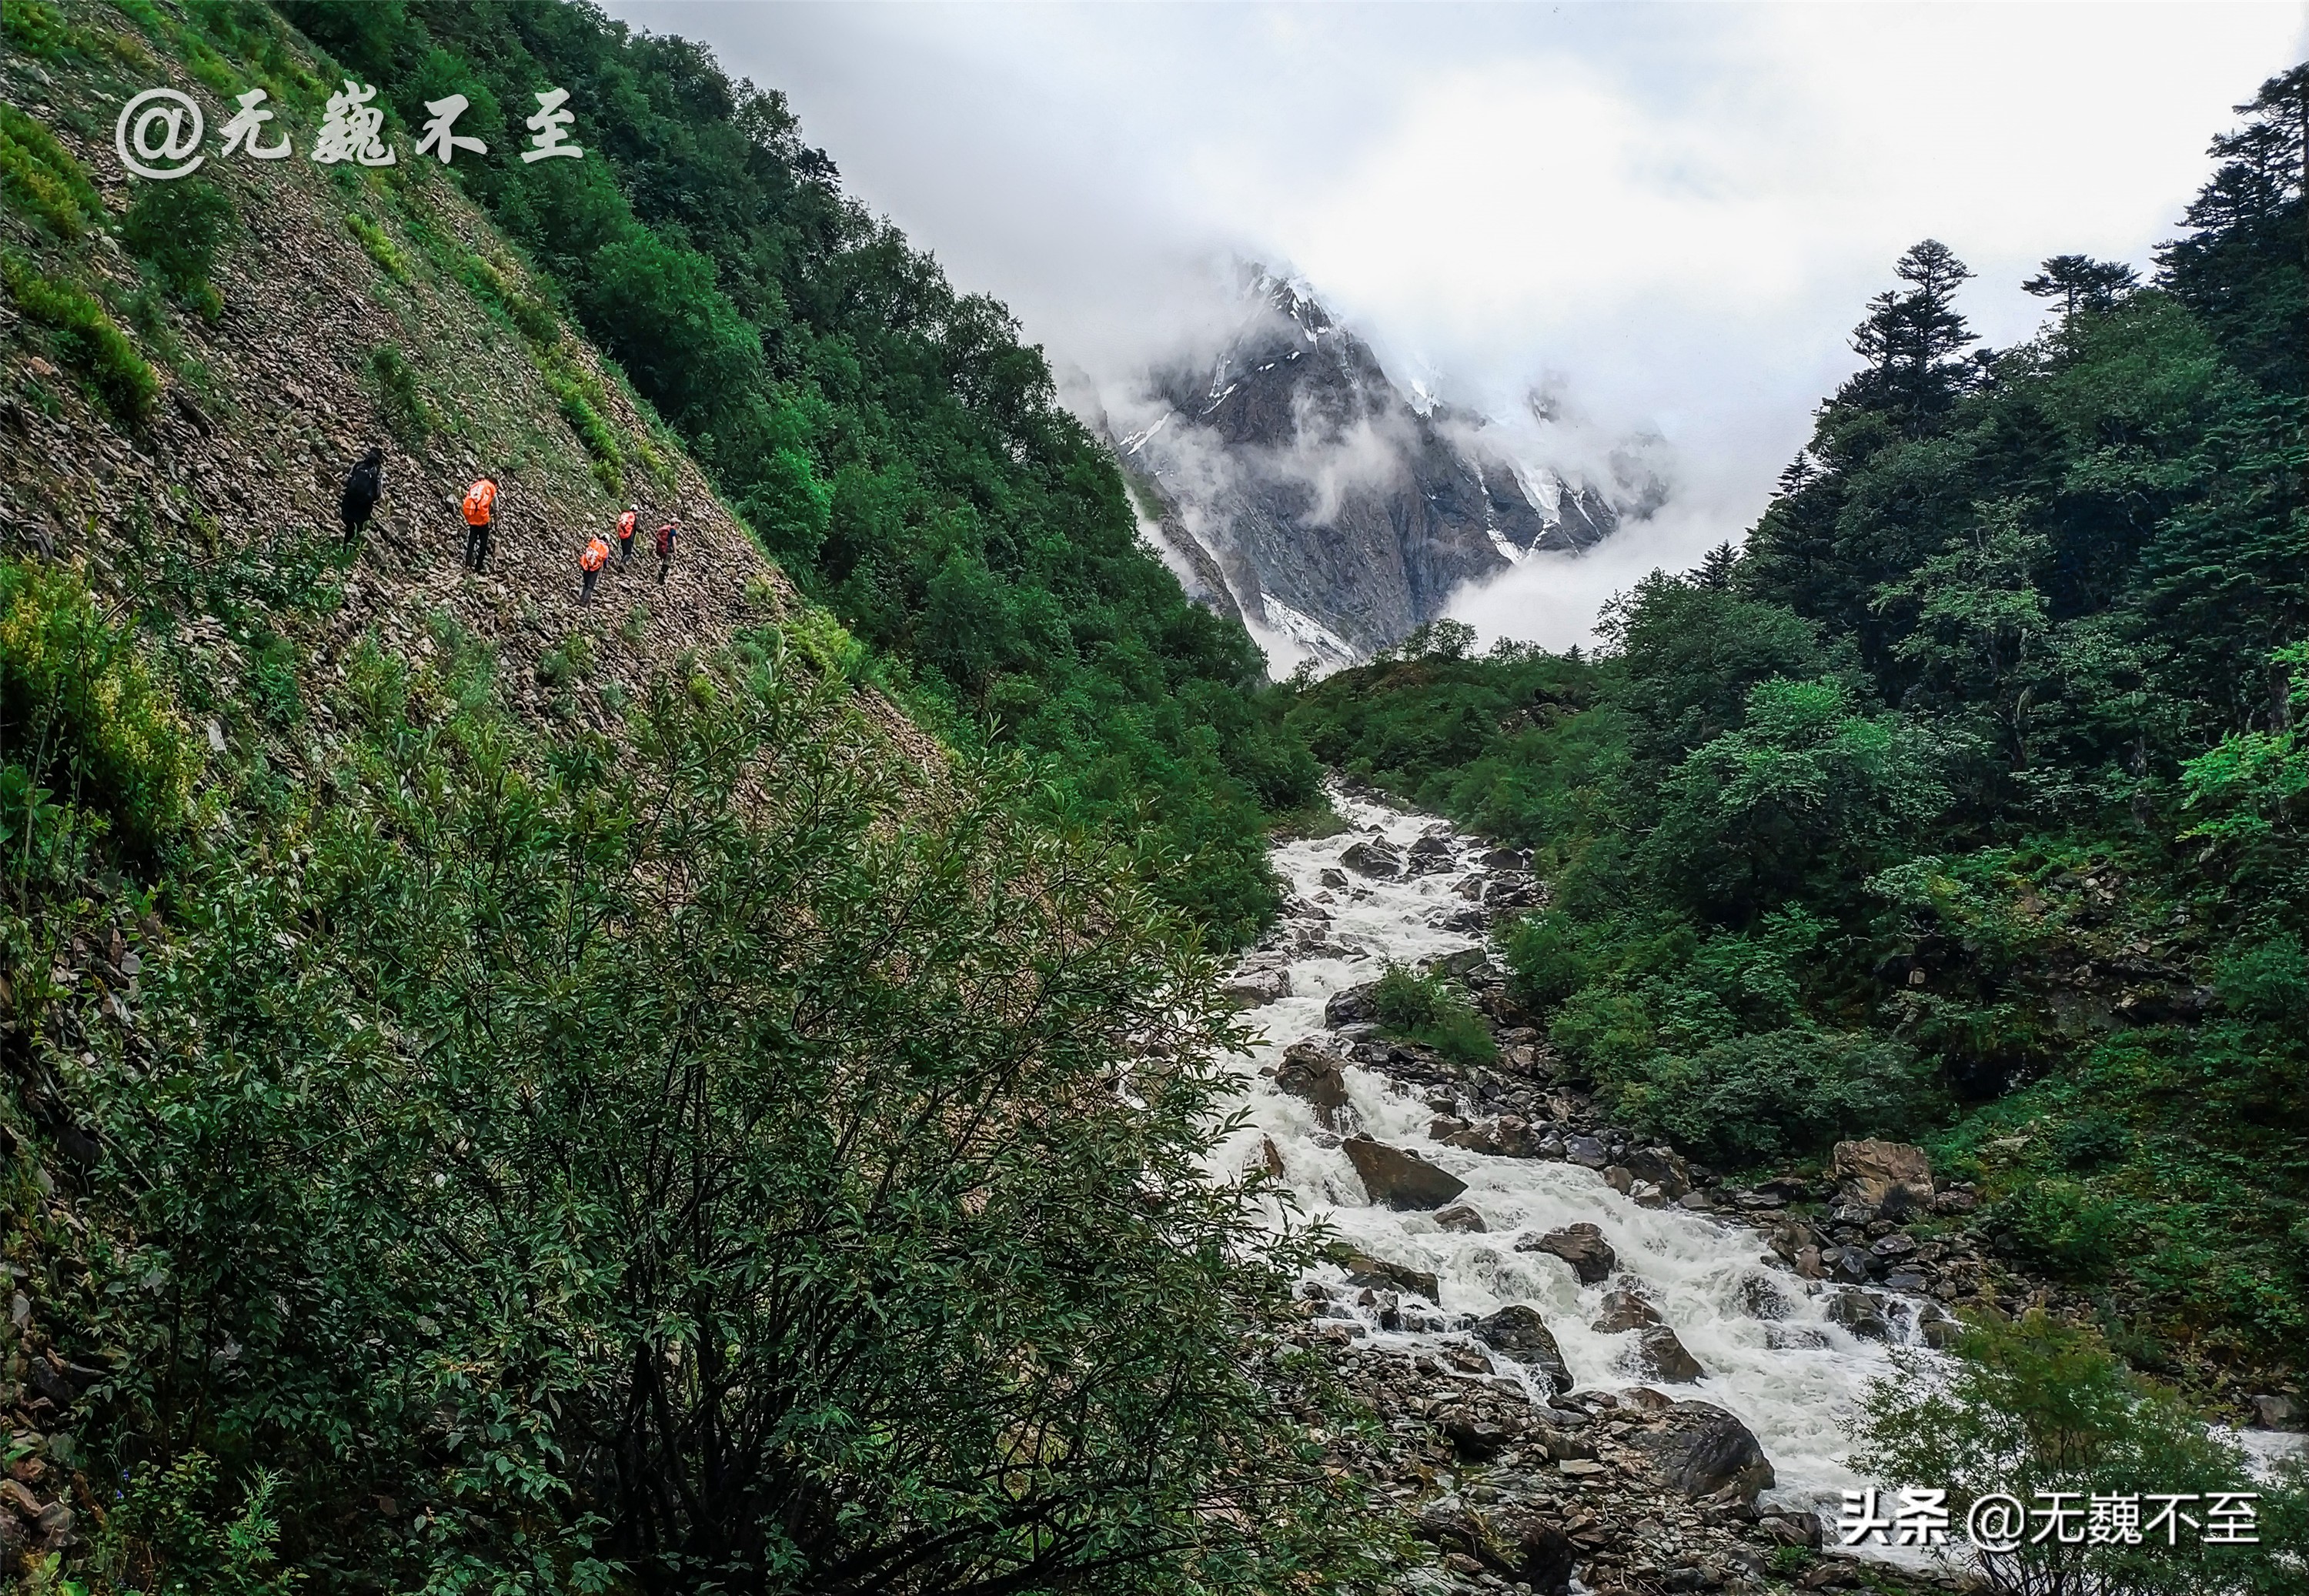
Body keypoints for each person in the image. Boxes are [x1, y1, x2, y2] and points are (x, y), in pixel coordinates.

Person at [339, 446, 384, 547]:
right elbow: (378, 494)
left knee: (349, 528)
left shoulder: (359, 465)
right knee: (356, 532)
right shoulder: (378, 472)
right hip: (363, 508)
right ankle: (347, 556)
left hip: (350, 503)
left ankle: (343, 551)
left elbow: (346, 481)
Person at [460, 474, 498, 573]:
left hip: (472, 515)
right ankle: (478, 566)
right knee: (483, 544)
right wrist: (496, 523)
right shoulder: (492, 489)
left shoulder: (477, 485)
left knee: (471, 541)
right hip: (482, 519)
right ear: (496, 485)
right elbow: (496, 508)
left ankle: (468, 564)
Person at [579, 532, 610, 603]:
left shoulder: (594, 541)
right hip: (595, 568)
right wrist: (605, 568)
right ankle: (585, 602)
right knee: (590, 586)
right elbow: (605, 561)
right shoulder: (606, 548)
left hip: (586, 564)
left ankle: (582, 598)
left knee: (586, 583)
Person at [654, 515, 680, 586]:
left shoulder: (666, 528)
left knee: (665, 563)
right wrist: (675, 550)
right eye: (678, 523)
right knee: (666, 564)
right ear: (675, 523)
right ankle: (660, 580)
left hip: (663, 548)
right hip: (668, 549)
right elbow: (674, 540)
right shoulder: (672, 530)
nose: (679, 525)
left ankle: (660, 579)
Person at [615, 505, 638, 569]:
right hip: (629, 537)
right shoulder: (634, 517)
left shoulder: (625, 515)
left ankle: (620, 566)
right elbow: (638, 527)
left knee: (624, 552)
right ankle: (622, 564)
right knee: (628, 554)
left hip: (622, 536)